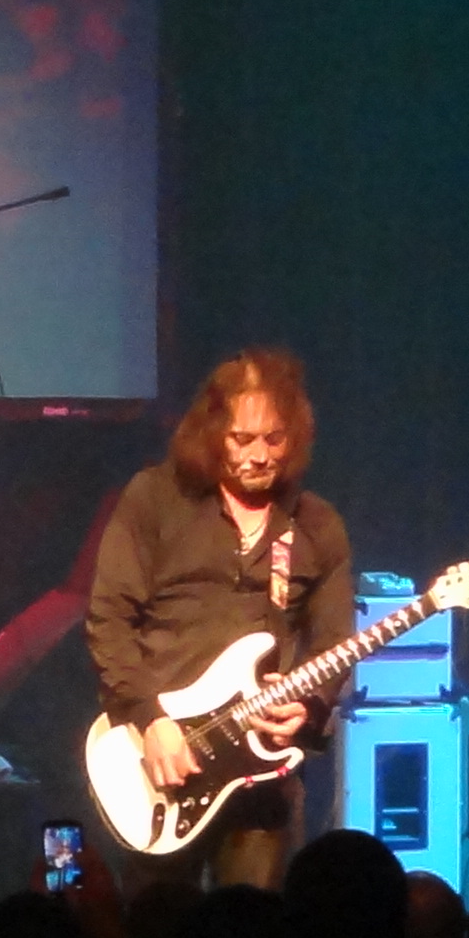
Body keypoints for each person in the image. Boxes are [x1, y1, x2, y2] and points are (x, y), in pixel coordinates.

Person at [86, 347, 353, 890]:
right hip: (159, 761)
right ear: (213, 434)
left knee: (252, 931)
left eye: (273, 439)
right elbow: (108, 619)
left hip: (262, 777)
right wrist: (149, 719)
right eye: (242, 439)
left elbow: (333, 644)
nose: (258, 456)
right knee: (159, 928)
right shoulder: (155, 499)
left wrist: (308, 707)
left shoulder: (316, 525)